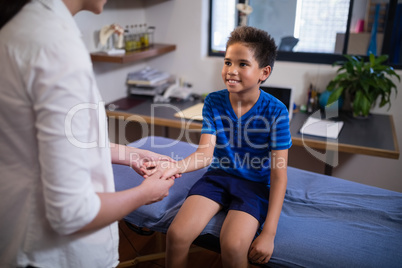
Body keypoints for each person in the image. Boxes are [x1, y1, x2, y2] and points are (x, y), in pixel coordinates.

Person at [0, 0, 175, 267]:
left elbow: (55, 144)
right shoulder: (55, 47)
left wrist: (131, 153)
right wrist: (146, 193)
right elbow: (72, 214)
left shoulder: (23, 28)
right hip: (51, 254)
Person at [143, 26, 292, 267]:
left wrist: (269, 233)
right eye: (227, 62)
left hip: (253, 186)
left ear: (264, 72)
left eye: (243, 64)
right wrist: (172, 168)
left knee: (233, 247)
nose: (231, 71)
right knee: (177, 235)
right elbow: (204, 154)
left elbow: (279, 174)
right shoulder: (213, 102)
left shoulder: (276, 111)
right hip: (218, 177)